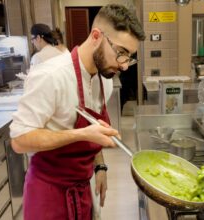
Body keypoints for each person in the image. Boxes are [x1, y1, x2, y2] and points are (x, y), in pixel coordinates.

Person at [10, 4, 145, 220]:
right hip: (48, 193)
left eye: (129, 57)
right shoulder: (50, 76)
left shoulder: (104, 81)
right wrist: (82, 134)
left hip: (82, 188)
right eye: (121, 53)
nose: (124, 65)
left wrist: (100, 166)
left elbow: (95, 131)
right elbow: (19, 140)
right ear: (95, 36)